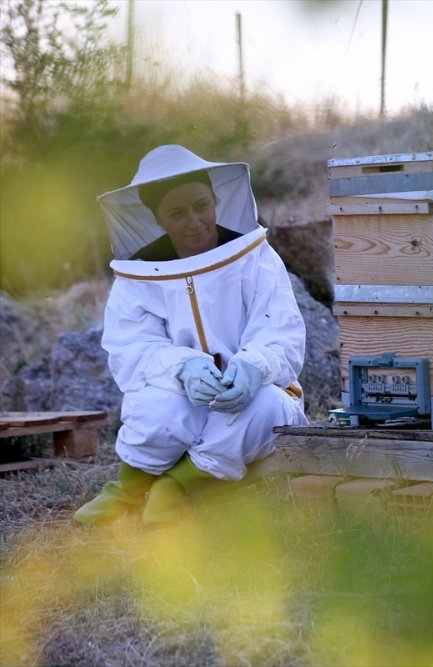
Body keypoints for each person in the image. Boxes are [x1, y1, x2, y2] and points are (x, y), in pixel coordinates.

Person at [74, 144, 309, 525]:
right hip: (183, 394)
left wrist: (252, 367)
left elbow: (280, 330)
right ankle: (127, 490)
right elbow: (133, 348)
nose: (195, 221)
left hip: (258, 393)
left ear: (216, 200)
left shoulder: (255, 256)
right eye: (177, 213)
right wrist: (183, 369)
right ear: (158, 218)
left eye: (202, 205)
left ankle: (173, 488)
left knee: (265, 409)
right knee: (157, 407)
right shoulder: (138, 276)